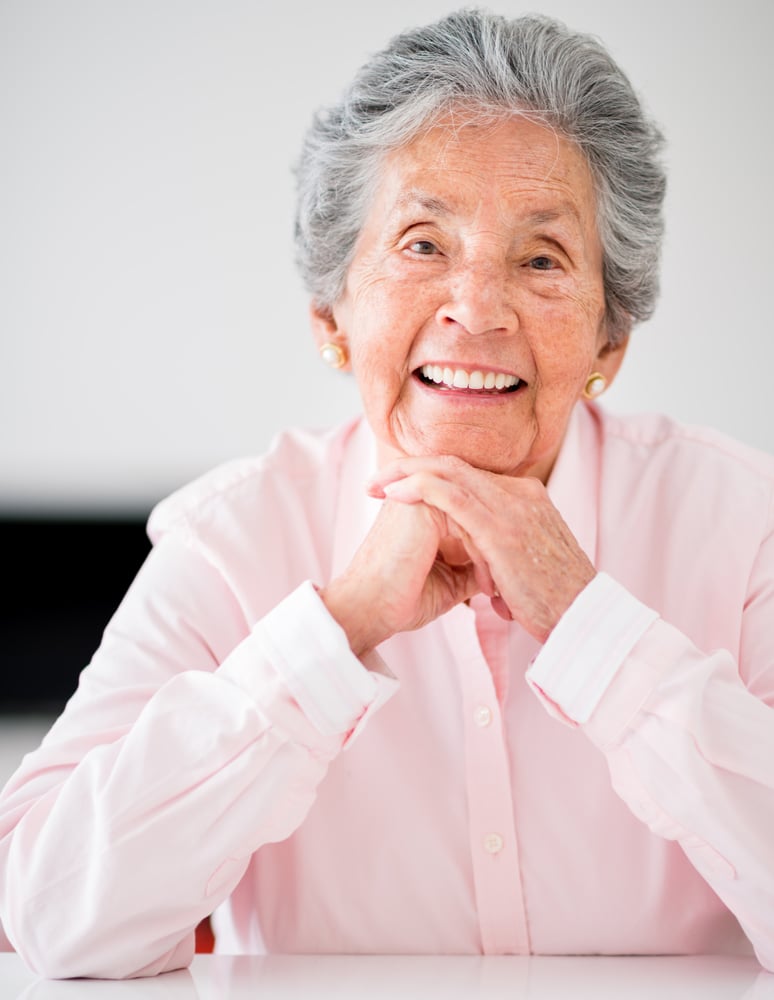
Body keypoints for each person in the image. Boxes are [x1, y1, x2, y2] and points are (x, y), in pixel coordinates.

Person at [1, 9, 772, 981]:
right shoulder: (230, 540)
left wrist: (593, 628)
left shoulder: (743, 528)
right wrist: (340, 624)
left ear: (608, 341)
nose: (477, 307)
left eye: (540, 259)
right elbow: (49, 912)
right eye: (421, 244)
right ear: (332, 315)